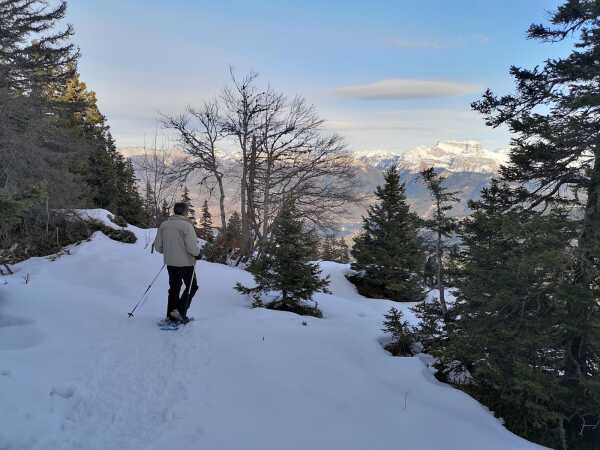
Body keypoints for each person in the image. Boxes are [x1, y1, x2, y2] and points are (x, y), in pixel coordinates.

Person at [153, 202, 201, 323]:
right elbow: (191, 247)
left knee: (174, 288)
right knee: (192, 287)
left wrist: (169, 251)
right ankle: (179, 313)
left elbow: (158, 247)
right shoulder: (186, 226)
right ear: (185, 212)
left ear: (175, 211)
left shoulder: (164, 225)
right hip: (186, 264)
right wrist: (198, 254)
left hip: (170, 263)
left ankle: (171, 315)